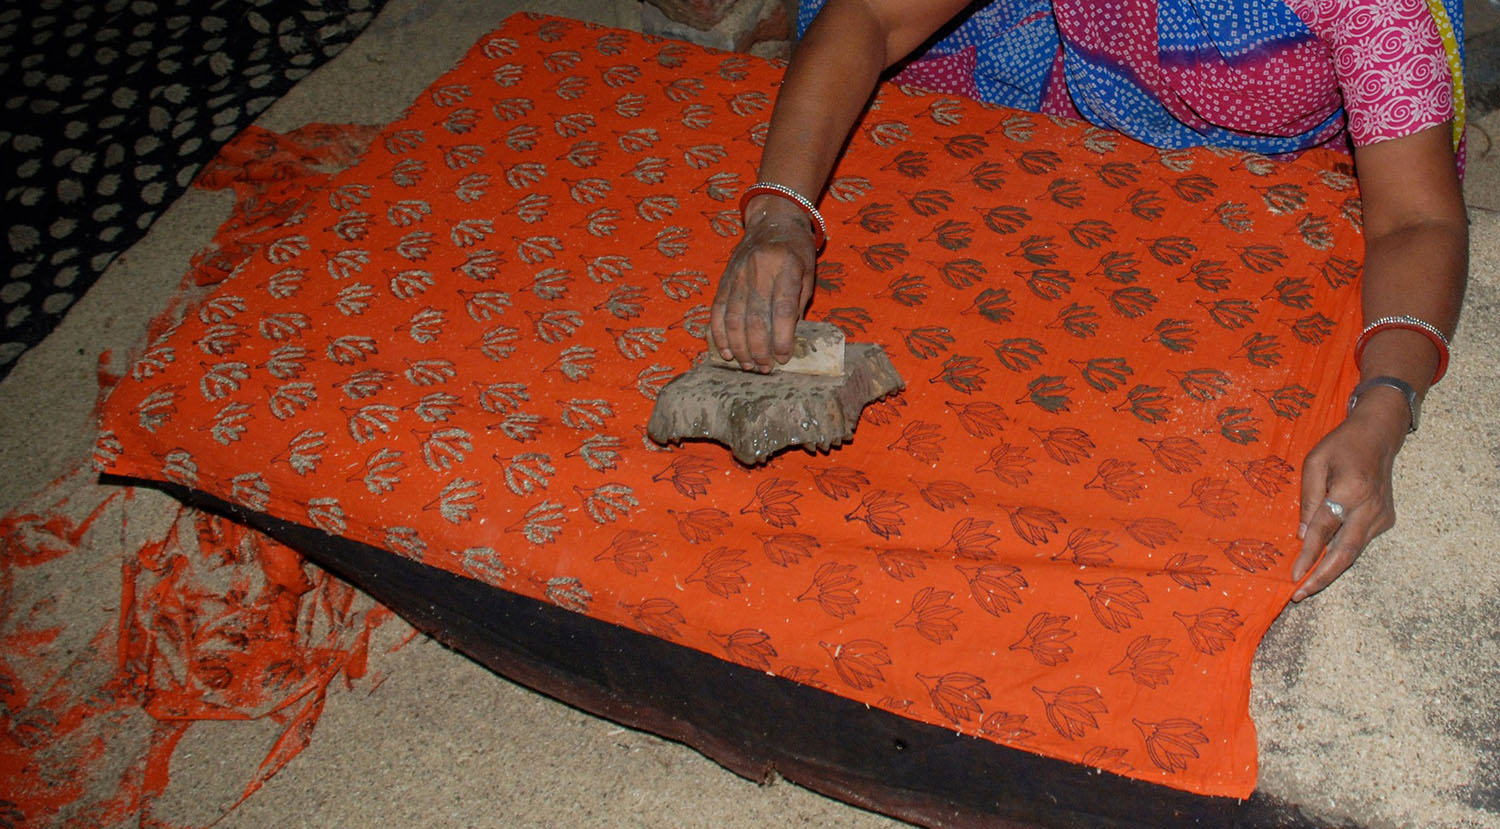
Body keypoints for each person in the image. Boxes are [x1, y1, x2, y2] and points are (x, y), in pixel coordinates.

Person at [709, 0, 1469, 601]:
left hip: (1294, 180)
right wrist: (781, 216)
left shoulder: (1377, 5)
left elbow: (1416, 219)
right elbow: (871, 15)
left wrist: (1384, 405)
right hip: (1102, 120)